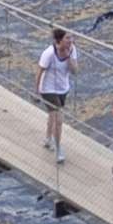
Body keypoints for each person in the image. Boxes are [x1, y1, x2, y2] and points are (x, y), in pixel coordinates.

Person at [36, 28, 80, 159]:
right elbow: (39, 71)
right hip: (48, 89)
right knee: (59, 119)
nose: (70, 41)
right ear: (59, 40)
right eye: (67, 38)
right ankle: (58, 149)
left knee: (52, 116)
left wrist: (68, 57)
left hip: (63, 89)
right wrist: (37, 91)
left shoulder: (72, 49)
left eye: (71, 38)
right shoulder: (49, 53)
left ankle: (48, 139)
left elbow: (75, 71)